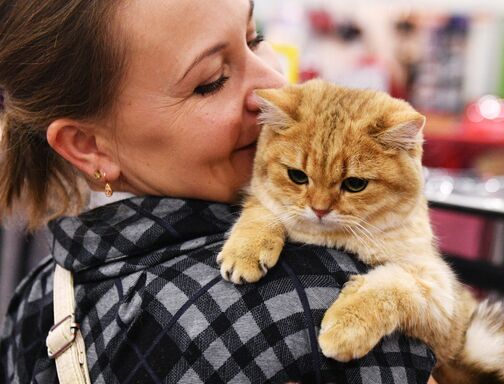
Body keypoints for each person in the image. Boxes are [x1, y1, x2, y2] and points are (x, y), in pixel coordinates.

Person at [0, 1, 437, 383]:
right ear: (88, 145)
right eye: (211, 80)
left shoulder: (37, 297)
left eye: (255, 36)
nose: (273, 86)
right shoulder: (313, 297)